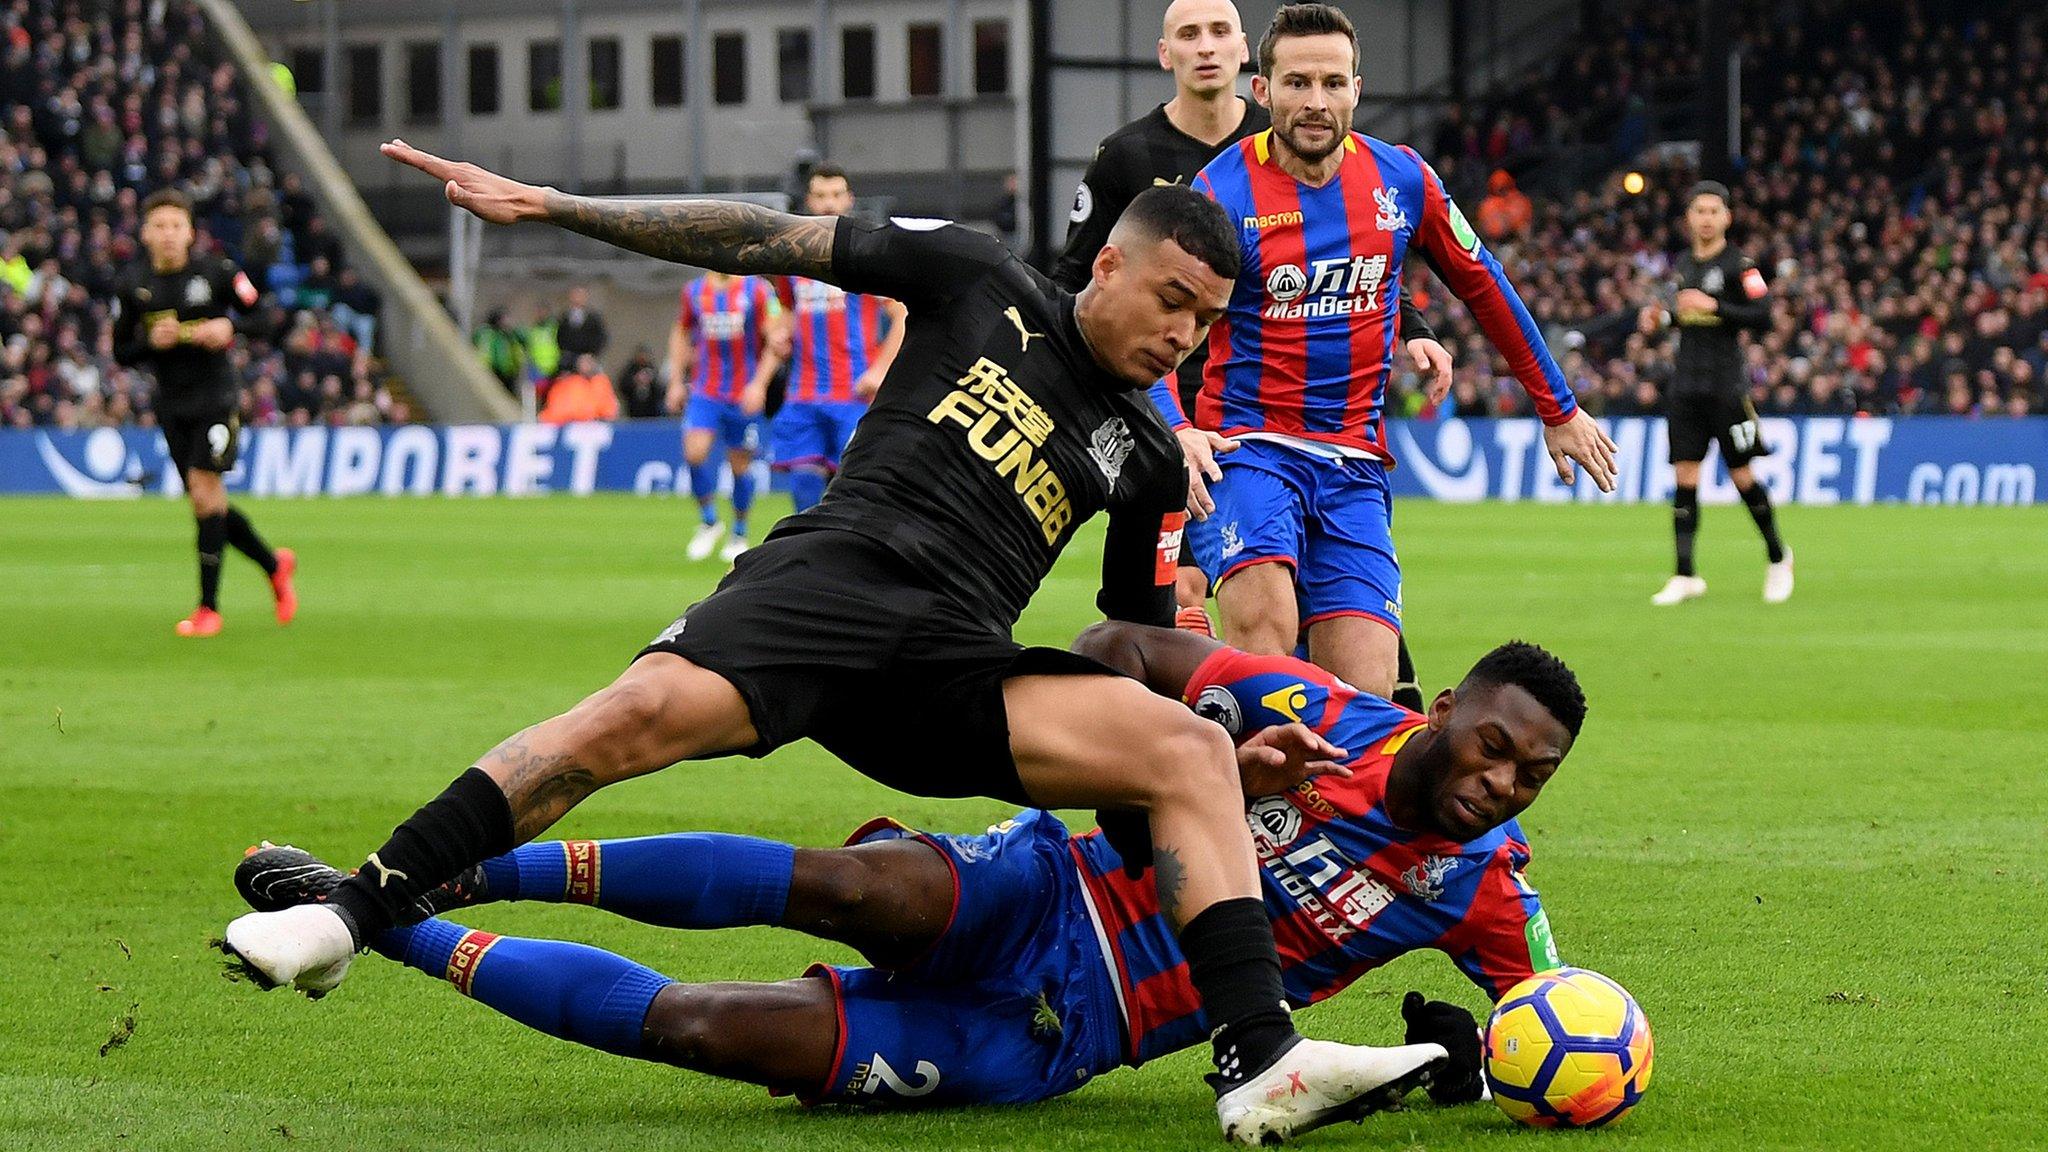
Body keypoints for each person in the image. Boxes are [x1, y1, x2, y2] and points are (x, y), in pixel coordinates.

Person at [222, 138, 1446, 1146]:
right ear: (1110, 264)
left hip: (950, 661)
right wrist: (556, 206)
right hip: (830, 581)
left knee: (1180, 749)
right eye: (1173, 302)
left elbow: (1127, 638)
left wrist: (1218, 758)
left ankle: (1258, 1060)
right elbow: (761, 237)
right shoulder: (982, 279)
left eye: (1207, 322)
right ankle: (351, 912)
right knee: (620, 727)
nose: (1185, 336)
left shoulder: (1142, 452)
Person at [231, 622, 1583, 1113]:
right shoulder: (1313, 713)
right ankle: (425, 882)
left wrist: (1461, 1056)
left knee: (717, 1031)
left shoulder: (1488, 889)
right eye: (1497, 744)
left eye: (1531, 776)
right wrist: (1188, 758)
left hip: (1068, 1029)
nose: (1501, 782)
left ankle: (383, 931)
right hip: (1050, 886)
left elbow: (1561, 1025)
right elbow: (1119, 652)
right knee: (860, 886)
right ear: (1450, 702)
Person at [1152, 3, 1617, 699]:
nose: (1316, 102)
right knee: (1265, 632)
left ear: (1357, 90)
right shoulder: (1220, 191)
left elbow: (1486, 286)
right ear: (1264, 90)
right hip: (1247, 447)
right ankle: (1234, 786)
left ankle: (1210, 699)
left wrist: (1559, 408)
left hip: (1355, 466)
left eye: (1333, 83)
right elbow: (1159, 322)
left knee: (1365, 697)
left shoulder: (1401, 180)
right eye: (1298, 83)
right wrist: (1178, 426)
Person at [1054, 0, 1451, 710]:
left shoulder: (1299, 130)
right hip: (1164, 409)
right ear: (1164, 53)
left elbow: (1360, 248)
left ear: (1246, 58)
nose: (1205, 48)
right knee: (1170, 599)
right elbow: (1078, 282)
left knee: (1332, 620)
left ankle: (1327, 742)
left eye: (1218, 33)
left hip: (1276, 421)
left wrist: (1412, 323)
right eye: (1188, 35)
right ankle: (1163, 751)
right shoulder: (1130, 158)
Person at [110, 188, 297, 637]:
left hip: (217, 397)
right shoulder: (134, 286)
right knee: (207, 501)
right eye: (160, 227)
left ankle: (208, 609)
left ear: (190, 233)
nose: (169, 235)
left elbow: (268, 319)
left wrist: (229, 325)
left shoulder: (218, 273)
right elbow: (121, 351)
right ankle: (274, 565)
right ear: (146, 234)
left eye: (177, 226)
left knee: (202, 491)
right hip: (172, 406)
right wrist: (149, 344)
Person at [1639, 181, 1793, 605]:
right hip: (1686, 384)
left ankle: (1779, 557)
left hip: (1726, 385)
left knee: (1742, 476)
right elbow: (1687, 319)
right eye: (1699, 211)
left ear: (1727, 217)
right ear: (1689, 218)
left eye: (1714, 211)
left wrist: (1716, 307)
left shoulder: (1740, 266)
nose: (1706, 218)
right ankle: (1685, 573)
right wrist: (1664, 321)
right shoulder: (1685, 263)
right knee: (1684, 477)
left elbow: (1763, 316)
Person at [769, 163, 906, 512]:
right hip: (804, 392)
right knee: (802, 481)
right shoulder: (793, 259)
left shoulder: (867, 257)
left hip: (853, 393)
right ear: (809, 202)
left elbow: (901, 314)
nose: (829, 203)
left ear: (849, 200)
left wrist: (879, 371)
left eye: (835, 195)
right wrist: (778, 334)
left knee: (851, 487)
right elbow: (786, 310)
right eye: (820, 196)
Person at [669, 268, 784, 561]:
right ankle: (709, 521)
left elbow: (775, 339)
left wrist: (759, 385)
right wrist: (675, 382)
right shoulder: (694, 291)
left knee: (740, 466)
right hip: (705, 391)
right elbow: (681, 332)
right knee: (694, 453)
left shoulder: (757, 290)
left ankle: (740, 531)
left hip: (742, 393)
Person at [538, 352, 619, 424]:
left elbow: (610, 409)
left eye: (590, 361)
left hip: (595, 427)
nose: (589, 365)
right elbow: (556, 412)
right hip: (568, 427)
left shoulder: (601, 382)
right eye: (585, 362)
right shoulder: (569, 384)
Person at [556, 284, 609, 366]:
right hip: (568, 359)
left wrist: (592, 355)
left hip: (587, 360)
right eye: (575, 295)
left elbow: (601, 338)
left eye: (580, 296)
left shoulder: (593, 318)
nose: (577, 299)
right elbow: (559, 336)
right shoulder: (564, 317)